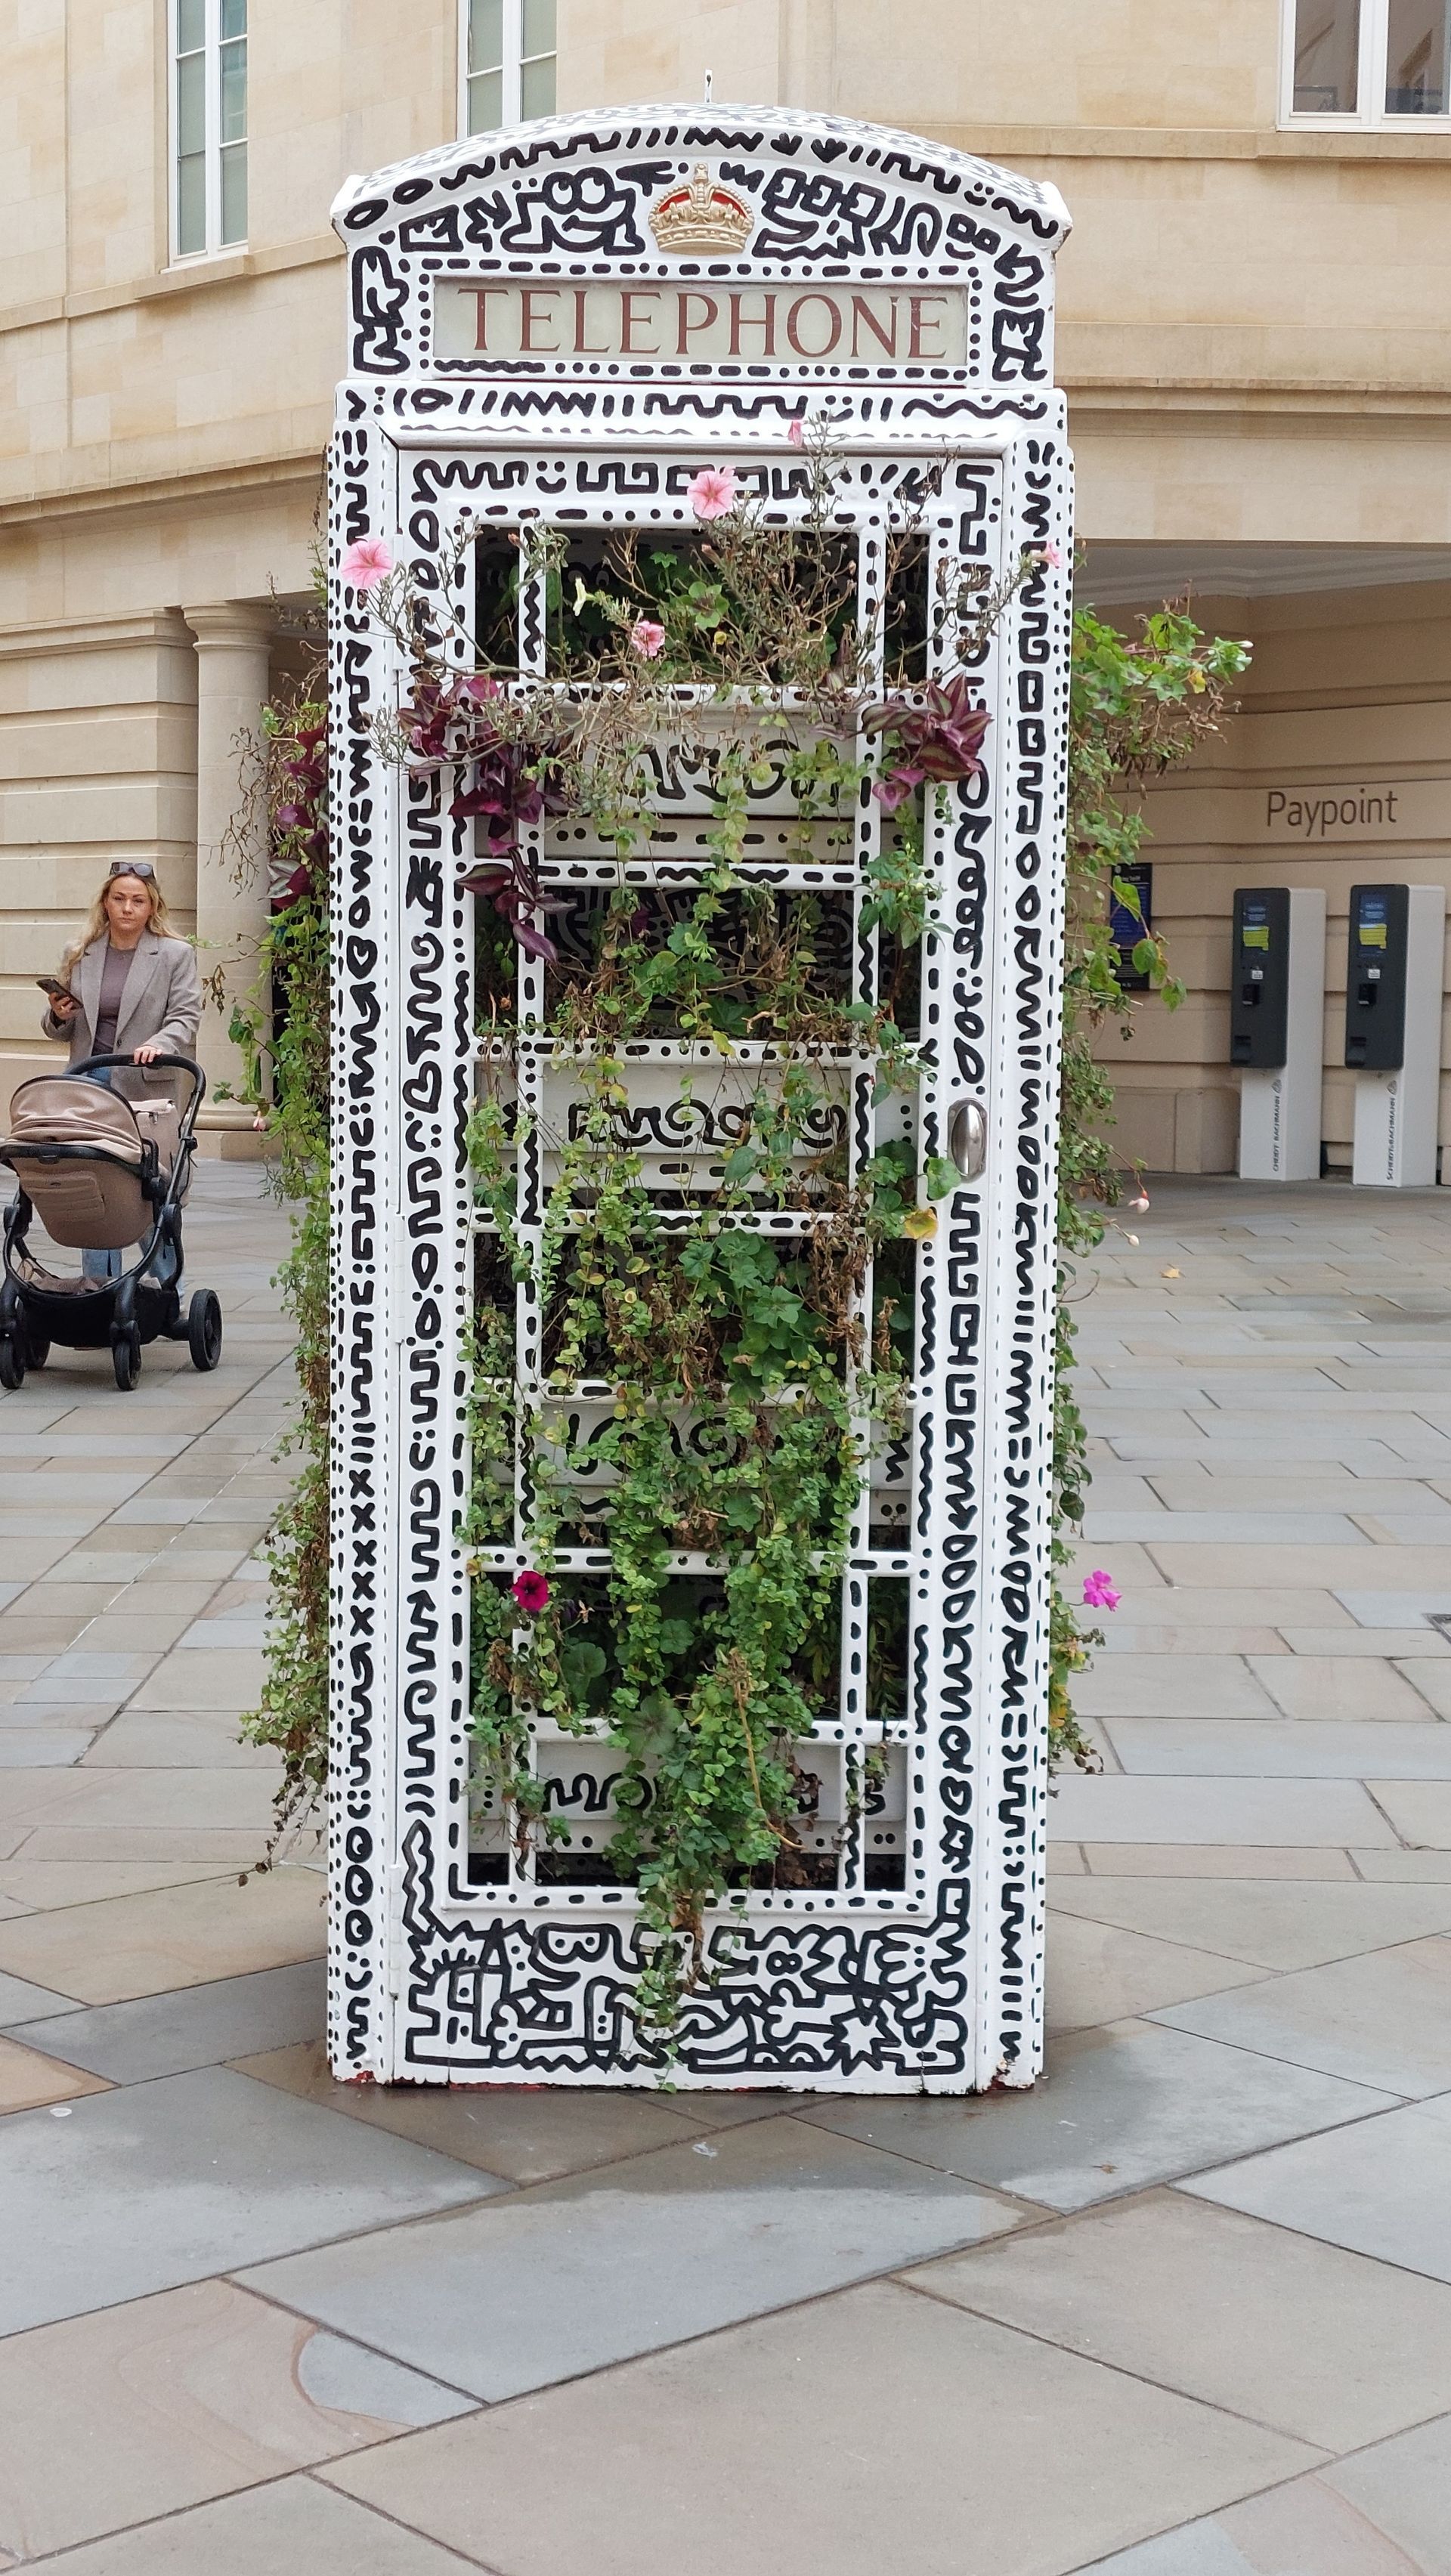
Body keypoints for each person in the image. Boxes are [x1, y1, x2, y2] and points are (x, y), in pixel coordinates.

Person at [43, 862, 202, 1282]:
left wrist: (159, 1045)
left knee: (147, 1191)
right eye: (119, 898)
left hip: (144, 1086)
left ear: (152, 907)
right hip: (89, 1084)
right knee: (92, 1192)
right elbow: (60, 1030)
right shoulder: (81, 952)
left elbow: (185, 1016)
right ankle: (99, 1290)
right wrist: (58, 1015)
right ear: (105, 902)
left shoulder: (174, 955)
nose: (128, 907)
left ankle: (168, 1289)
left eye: (138, 900)